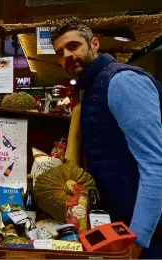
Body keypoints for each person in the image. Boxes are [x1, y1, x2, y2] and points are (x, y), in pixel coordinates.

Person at [51, 17, 162, 258]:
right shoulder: (90, 89)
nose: (67, 55)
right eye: (60, 52)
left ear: (94, 44)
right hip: (119, 227)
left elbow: (156, 165)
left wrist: (138, 239)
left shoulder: (122, 81)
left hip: (149, 236)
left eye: (73, 46)